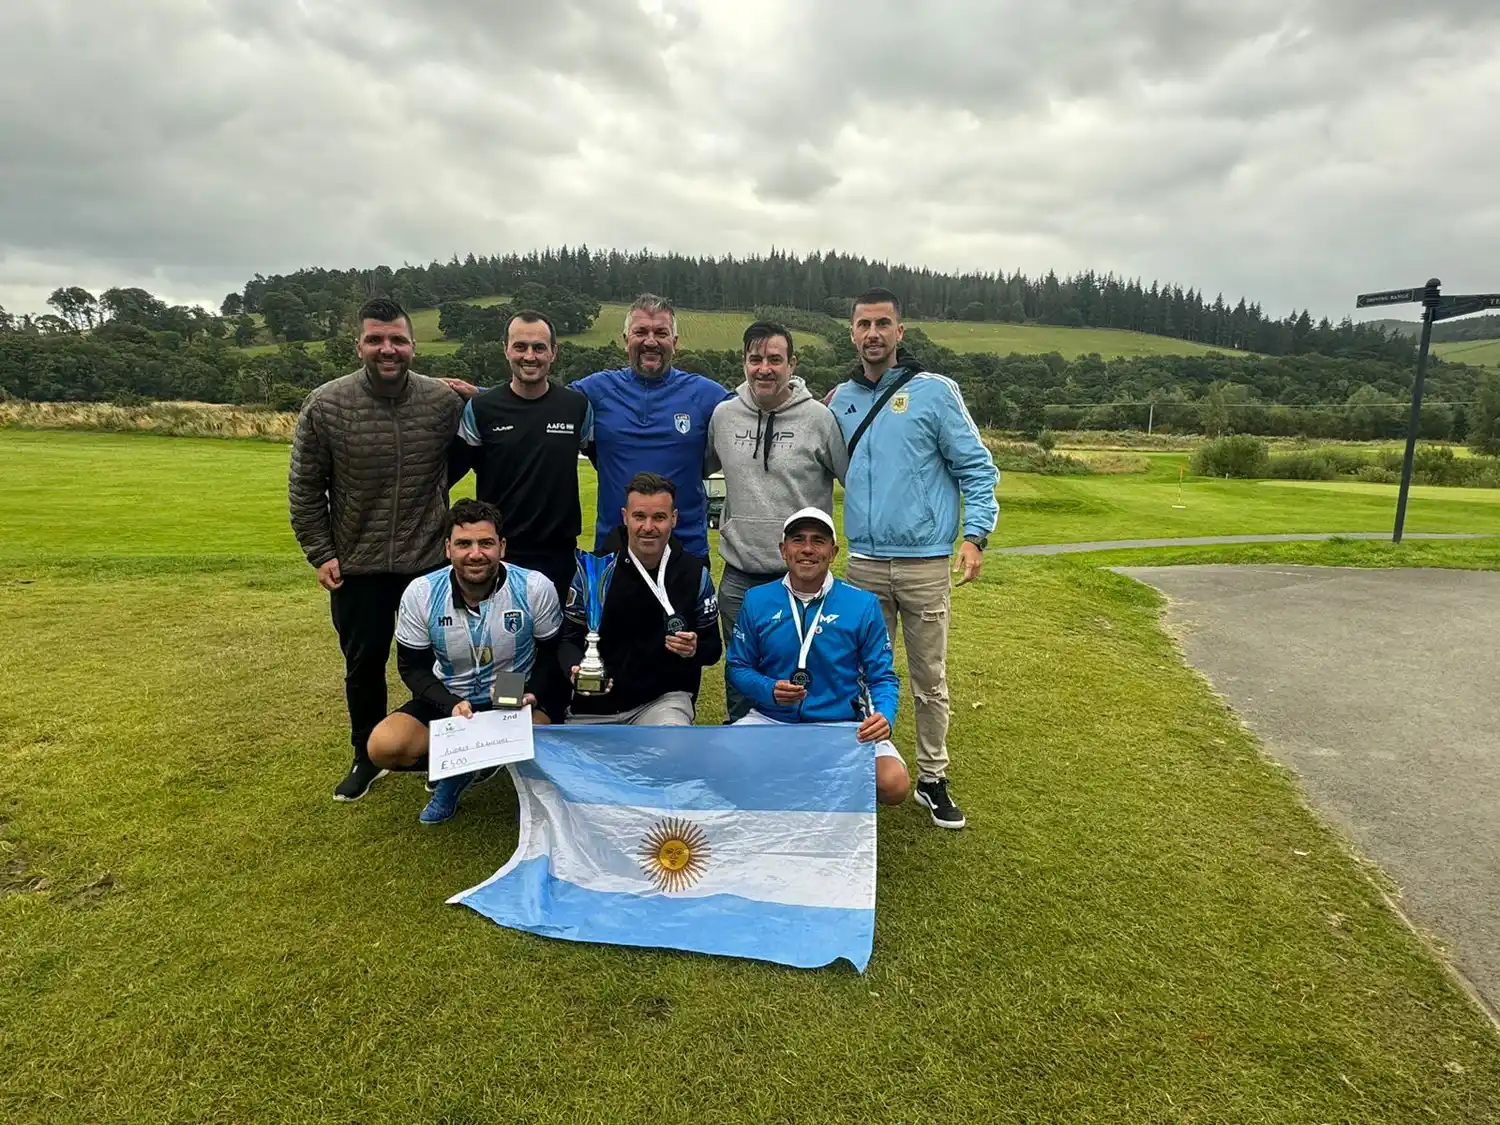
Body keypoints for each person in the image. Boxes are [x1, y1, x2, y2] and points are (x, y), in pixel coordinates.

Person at [827, 287, 999, 830]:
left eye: (883, 323)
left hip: (925, 561)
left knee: (929, 677)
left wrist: (975, 536)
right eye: (863, 324)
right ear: (851, 333)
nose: (873, 333)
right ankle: (865, 768)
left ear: (900, 332)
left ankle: (931, 778)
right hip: (864, 563)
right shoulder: (840, 401)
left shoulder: (935, 392)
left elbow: (978, 468)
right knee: (857, 674)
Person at [288, 296, 465, 802]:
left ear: (414, 345)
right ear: (360, 344)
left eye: (398, 340)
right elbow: (305, 486)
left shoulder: (442, 402)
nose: (388, 349)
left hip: (429, 563)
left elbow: (480, 441)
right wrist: (321, 551)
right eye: (376, 339)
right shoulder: (326, 404)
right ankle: (366, 755)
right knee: (363, 665)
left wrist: (478, 394)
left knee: (437, 664)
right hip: (358, 566)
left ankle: (440, 754)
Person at [368, 500, 563, 824]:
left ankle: (474, 764)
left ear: (501, 546)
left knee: (544, 740)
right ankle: (460, 768)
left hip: (512, 696)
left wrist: (533, 692)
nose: (475, 554)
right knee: (385, 747)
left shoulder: (533, 586)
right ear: (448, 548)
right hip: (452, 697)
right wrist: (449, 704)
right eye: (464, 544)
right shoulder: (421, 593)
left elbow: (552, 651)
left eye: (486, 543)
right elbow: (411, 666)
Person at [705, 321, 848, 721]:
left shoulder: (819, 419)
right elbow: (695, 468)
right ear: (744, 363)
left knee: (804, 673)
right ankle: (742, 753)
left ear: (792, 364)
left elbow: (854, 478)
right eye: (755, 359)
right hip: (739, 576)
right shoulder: (724, 416)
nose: (764, 368)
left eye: (774, 359)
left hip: (802, 578)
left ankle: (800, 760)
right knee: (741, 674)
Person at [726, 508, 909, 806]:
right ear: (783, 550)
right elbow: (738, 667)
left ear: (833, 552)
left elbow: (882, 676)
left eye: (818, 541)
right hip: (772, 719)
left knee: (893, 784)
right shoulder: (757, 600)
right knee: (721, 764)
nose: (808, 549)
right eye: (798, 540)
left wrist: (884, 715)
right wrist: (768, 689)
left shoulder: (862, 604)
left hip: (840, 724)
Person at [571, 294, 731, 564]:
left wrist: (812, 402)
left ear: (675, 342)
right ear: (626, 340)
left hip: (686, 554)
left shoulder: (705, 394)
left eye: (661, 332)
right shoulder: (596, 390)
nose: (650, 341)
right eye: (641, 332)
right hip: (614, 554)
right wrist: (479, 396)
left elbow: (759, 411)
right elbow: (538, 403)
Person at [449, 309, 592, 608]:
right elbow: (447, 476)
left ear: (554, 352)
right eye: (520, 347)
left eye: (539, 347)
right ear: (506, 350)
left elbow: (607, 463)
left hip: (558, 555)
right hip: (499, 553)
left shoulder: (576, 407)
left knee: (555, 647)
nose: (530, 356)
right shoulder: (482, 409)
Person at [559, 472, 721, 725]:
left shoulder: (694, 573)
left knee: (672, 744)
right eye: (639, 516)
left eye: (659, 517)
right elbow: (569, 638)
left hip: (661, 702)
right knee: (580, 766)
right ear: (625, 516)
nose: (648, 527)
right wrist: (576, 671)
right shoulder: (594, 571)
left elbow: (713, 649)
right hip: (595, 704)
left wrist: (694, 648)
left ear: (674, 519)